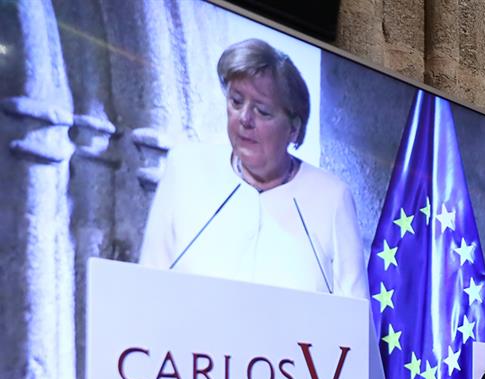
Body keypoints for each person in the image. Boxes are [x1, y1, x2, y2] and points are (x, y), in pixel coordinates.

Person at [140, 39, 366, 299]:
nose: (244, 119)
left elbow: (355, 327)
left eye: (262, 111)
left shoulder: (332, 197)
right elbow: (147, 289)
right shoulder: (185, 170)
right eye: (236, 102)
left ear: (294, 129)